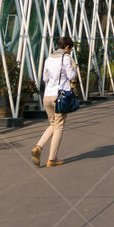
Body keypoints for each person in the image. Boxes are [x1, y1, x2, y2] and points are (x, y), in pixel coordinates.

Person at [31, 36, 78, 168]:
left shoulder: (49, 58)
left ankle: (38, 147)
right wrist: (75, 68)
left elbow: (45, 78)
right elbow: (71, 76)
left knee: (53, 124)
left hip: (47, 96)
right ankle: (52, 159)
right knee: (59, 126)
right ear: (67, 47)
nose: (70, 52)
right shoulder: (66, 58)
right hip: (60, 96)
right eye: (71, 49)